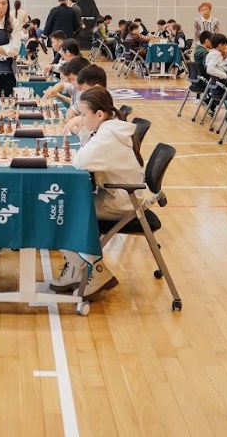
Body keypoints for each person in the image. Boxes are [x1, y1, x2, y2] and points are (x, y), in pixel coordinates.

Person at [50, 87, 143, 299]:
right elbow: (87, 152)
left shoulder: (108, 135)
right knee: (60, 208)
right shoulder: (109, 129)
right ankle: (76, 269)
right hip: (115, 196)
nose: (82, 118)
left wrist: (82, 128)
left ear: (99, 114)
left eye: (84, 115)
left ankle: (96, 271)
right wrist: (84, 128)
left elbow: (80, 161)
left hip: (121, 203)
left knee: (58, 214)